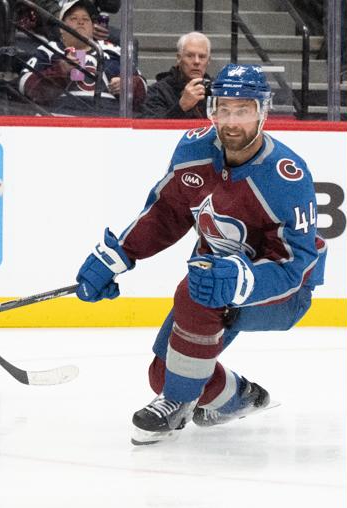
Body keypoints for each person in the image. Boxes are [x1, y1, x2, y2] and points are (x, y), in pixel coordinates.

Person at [72, 64, 328, 446]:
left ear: (263, 111)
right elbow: (166, 213)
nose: (231, 121)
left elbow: (297, 263)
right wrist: (117, 255)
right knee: (164, 373)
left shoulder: (285, 176)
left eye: (242, 110)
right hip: (213, 283)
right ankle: (240, 397)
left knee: (196, 292)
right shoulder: (194, 149)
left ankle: (176, 402)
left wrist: (243, 280)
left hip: (282, 294)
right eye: (223, 109)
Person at [19, 0, 145, 116]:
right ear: (61, 29)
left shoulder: (113, 50)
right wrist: (61, 70)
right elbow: (26, 86)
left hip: (108, 120)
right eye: (73, 18)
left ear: (93, 27)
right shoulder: (48, 50)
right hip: (61, 118)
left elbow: (142, 88)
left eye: (86, 19)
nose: (80, 22)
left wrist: (128, 84)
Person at [142, 32, 214, 119]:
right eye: (190, 56)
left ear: (209, 60)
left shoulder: (217, 91)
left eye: (202, 57)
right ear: (179, 58)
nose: (196, 61)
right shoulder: (158, 91)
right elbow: (151, 129)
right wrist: (181, 107)